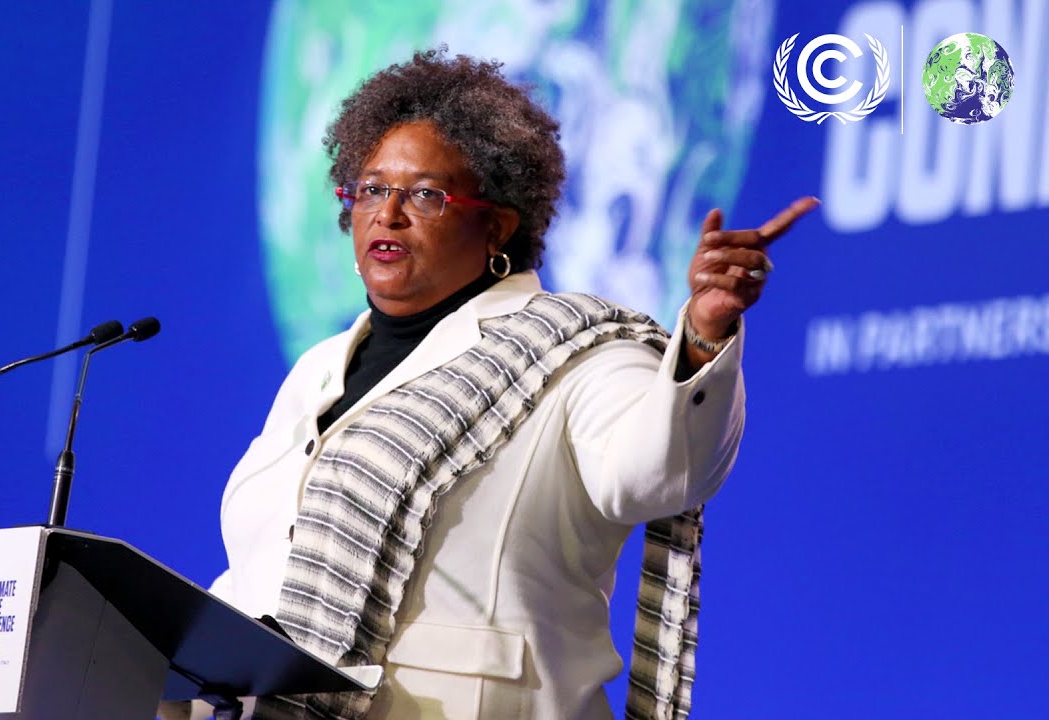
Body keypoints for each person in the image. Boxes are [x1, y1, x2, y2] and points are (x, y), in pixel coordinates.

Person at [169, 49, 816, 720]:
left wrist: (706, 331)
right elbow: (264, 574)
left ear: (498, 226)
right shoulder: (320, 370)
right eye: (369, 189)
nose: (387, 214)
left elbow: (656, 473)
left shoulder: (579, 349)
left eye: (425, 194)